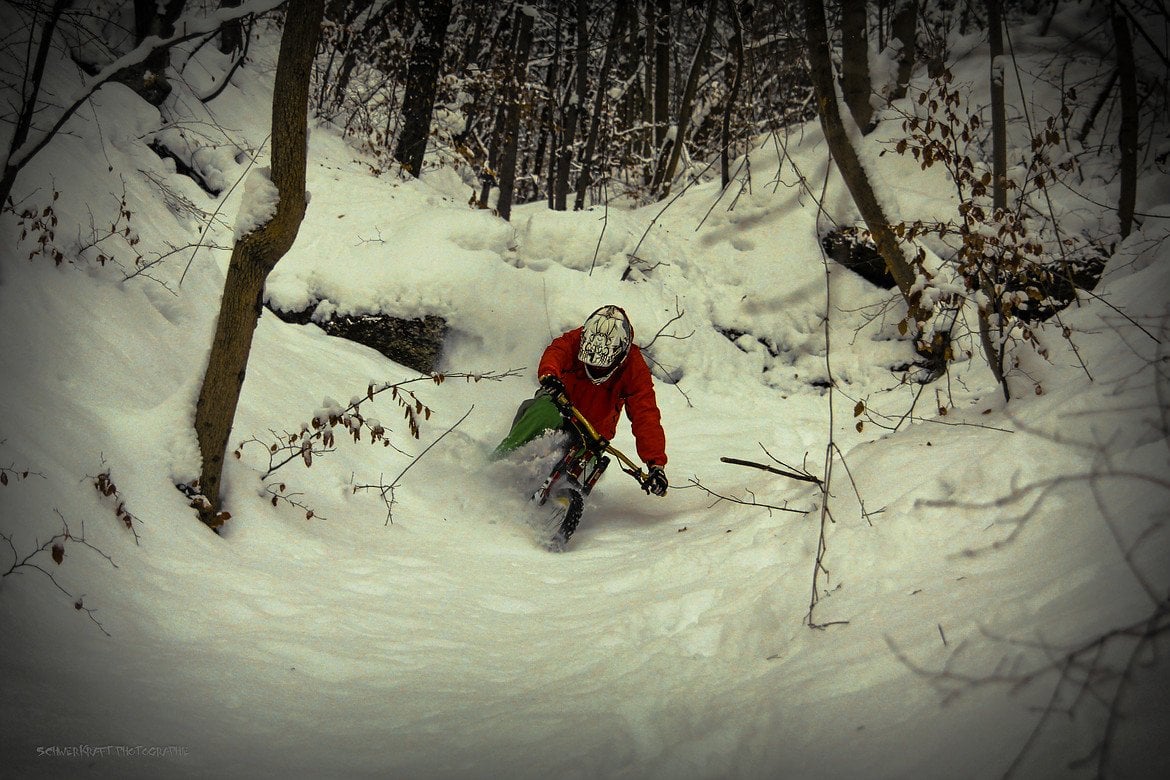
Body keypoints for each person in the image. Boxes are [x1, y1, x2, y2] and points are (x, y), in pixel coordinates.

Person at [494, 305, 668, 497]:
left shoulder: (634, 368)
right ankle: (497, 465)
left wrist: (655, 464)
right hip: (558, 404)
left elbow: (646, 415)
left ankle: (559, 504)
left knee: (585, 468)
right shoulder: (575, 340)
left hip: (591, 433)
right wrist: (549, 374)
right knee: (543, 413)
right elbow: (557, 351)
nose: (594, 366)